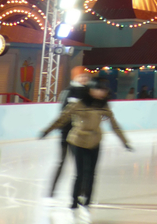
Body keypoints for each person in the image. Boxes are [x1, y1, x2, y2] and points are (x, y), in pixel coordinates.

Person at [40, 79, 131, 212]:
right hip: (78, 140)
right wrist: (47, 130)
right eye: (99, 90)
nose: (102, 93)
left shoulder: (103, 106)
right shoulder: (78, 104)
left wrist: (124, 141)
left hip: (95, 141)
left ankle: (87, 199)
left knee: (92, 172)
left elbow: (114, 125)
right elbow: (62, 119)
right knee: (80, 173)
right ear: (91, 90)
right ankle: (74, 200)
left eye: (104, 90)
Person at [48, 66, 93, 198]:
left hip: (81, 135)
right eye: (81, 76)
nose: (84, 79)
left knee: (82, 165)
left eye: (86, 76)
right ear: (75, 77)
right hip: (67, 133)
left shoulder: (89, 93)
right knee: (62, 162)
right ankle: (51, 191)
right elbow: (64, 113)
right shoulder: (68, 91)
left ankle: (81, 192)